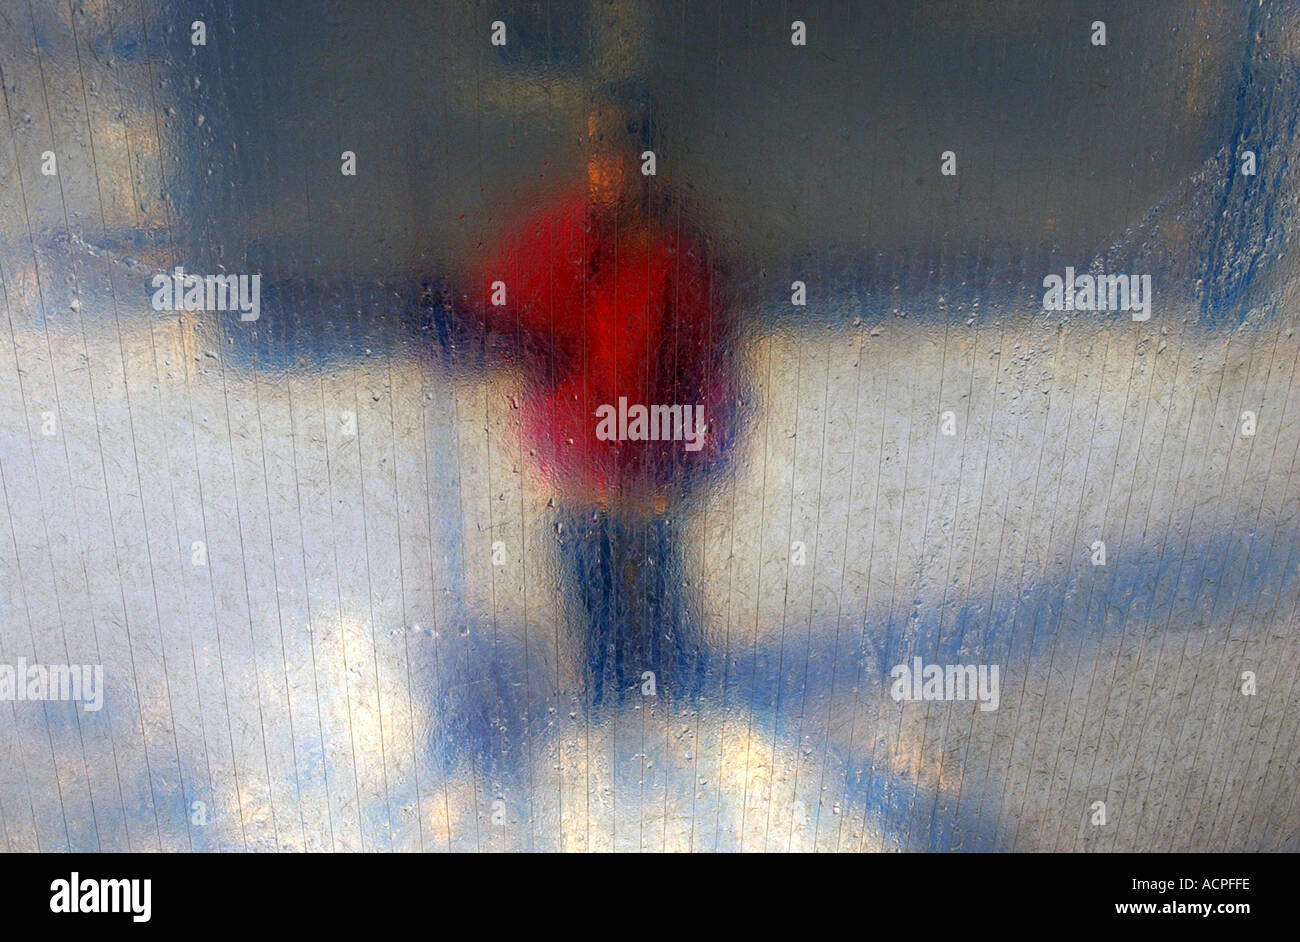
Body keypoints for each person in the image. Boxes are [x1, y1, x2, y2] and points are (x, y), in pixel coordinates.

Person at [465, 91, 737, 707]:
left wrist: (698, 449)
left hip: (653, 473)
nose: (613, 170)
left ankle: (687, 707)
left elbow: (710, 367)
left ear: (651, 162)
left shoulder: (679, 256)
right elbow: (508, 321)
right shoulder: (554, 241)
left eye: (628, 154)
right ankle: (606, 714)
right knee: (595, 607)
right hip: (579, 469)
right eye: (600, 154)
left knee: (661, 602)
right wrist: (455, 325)